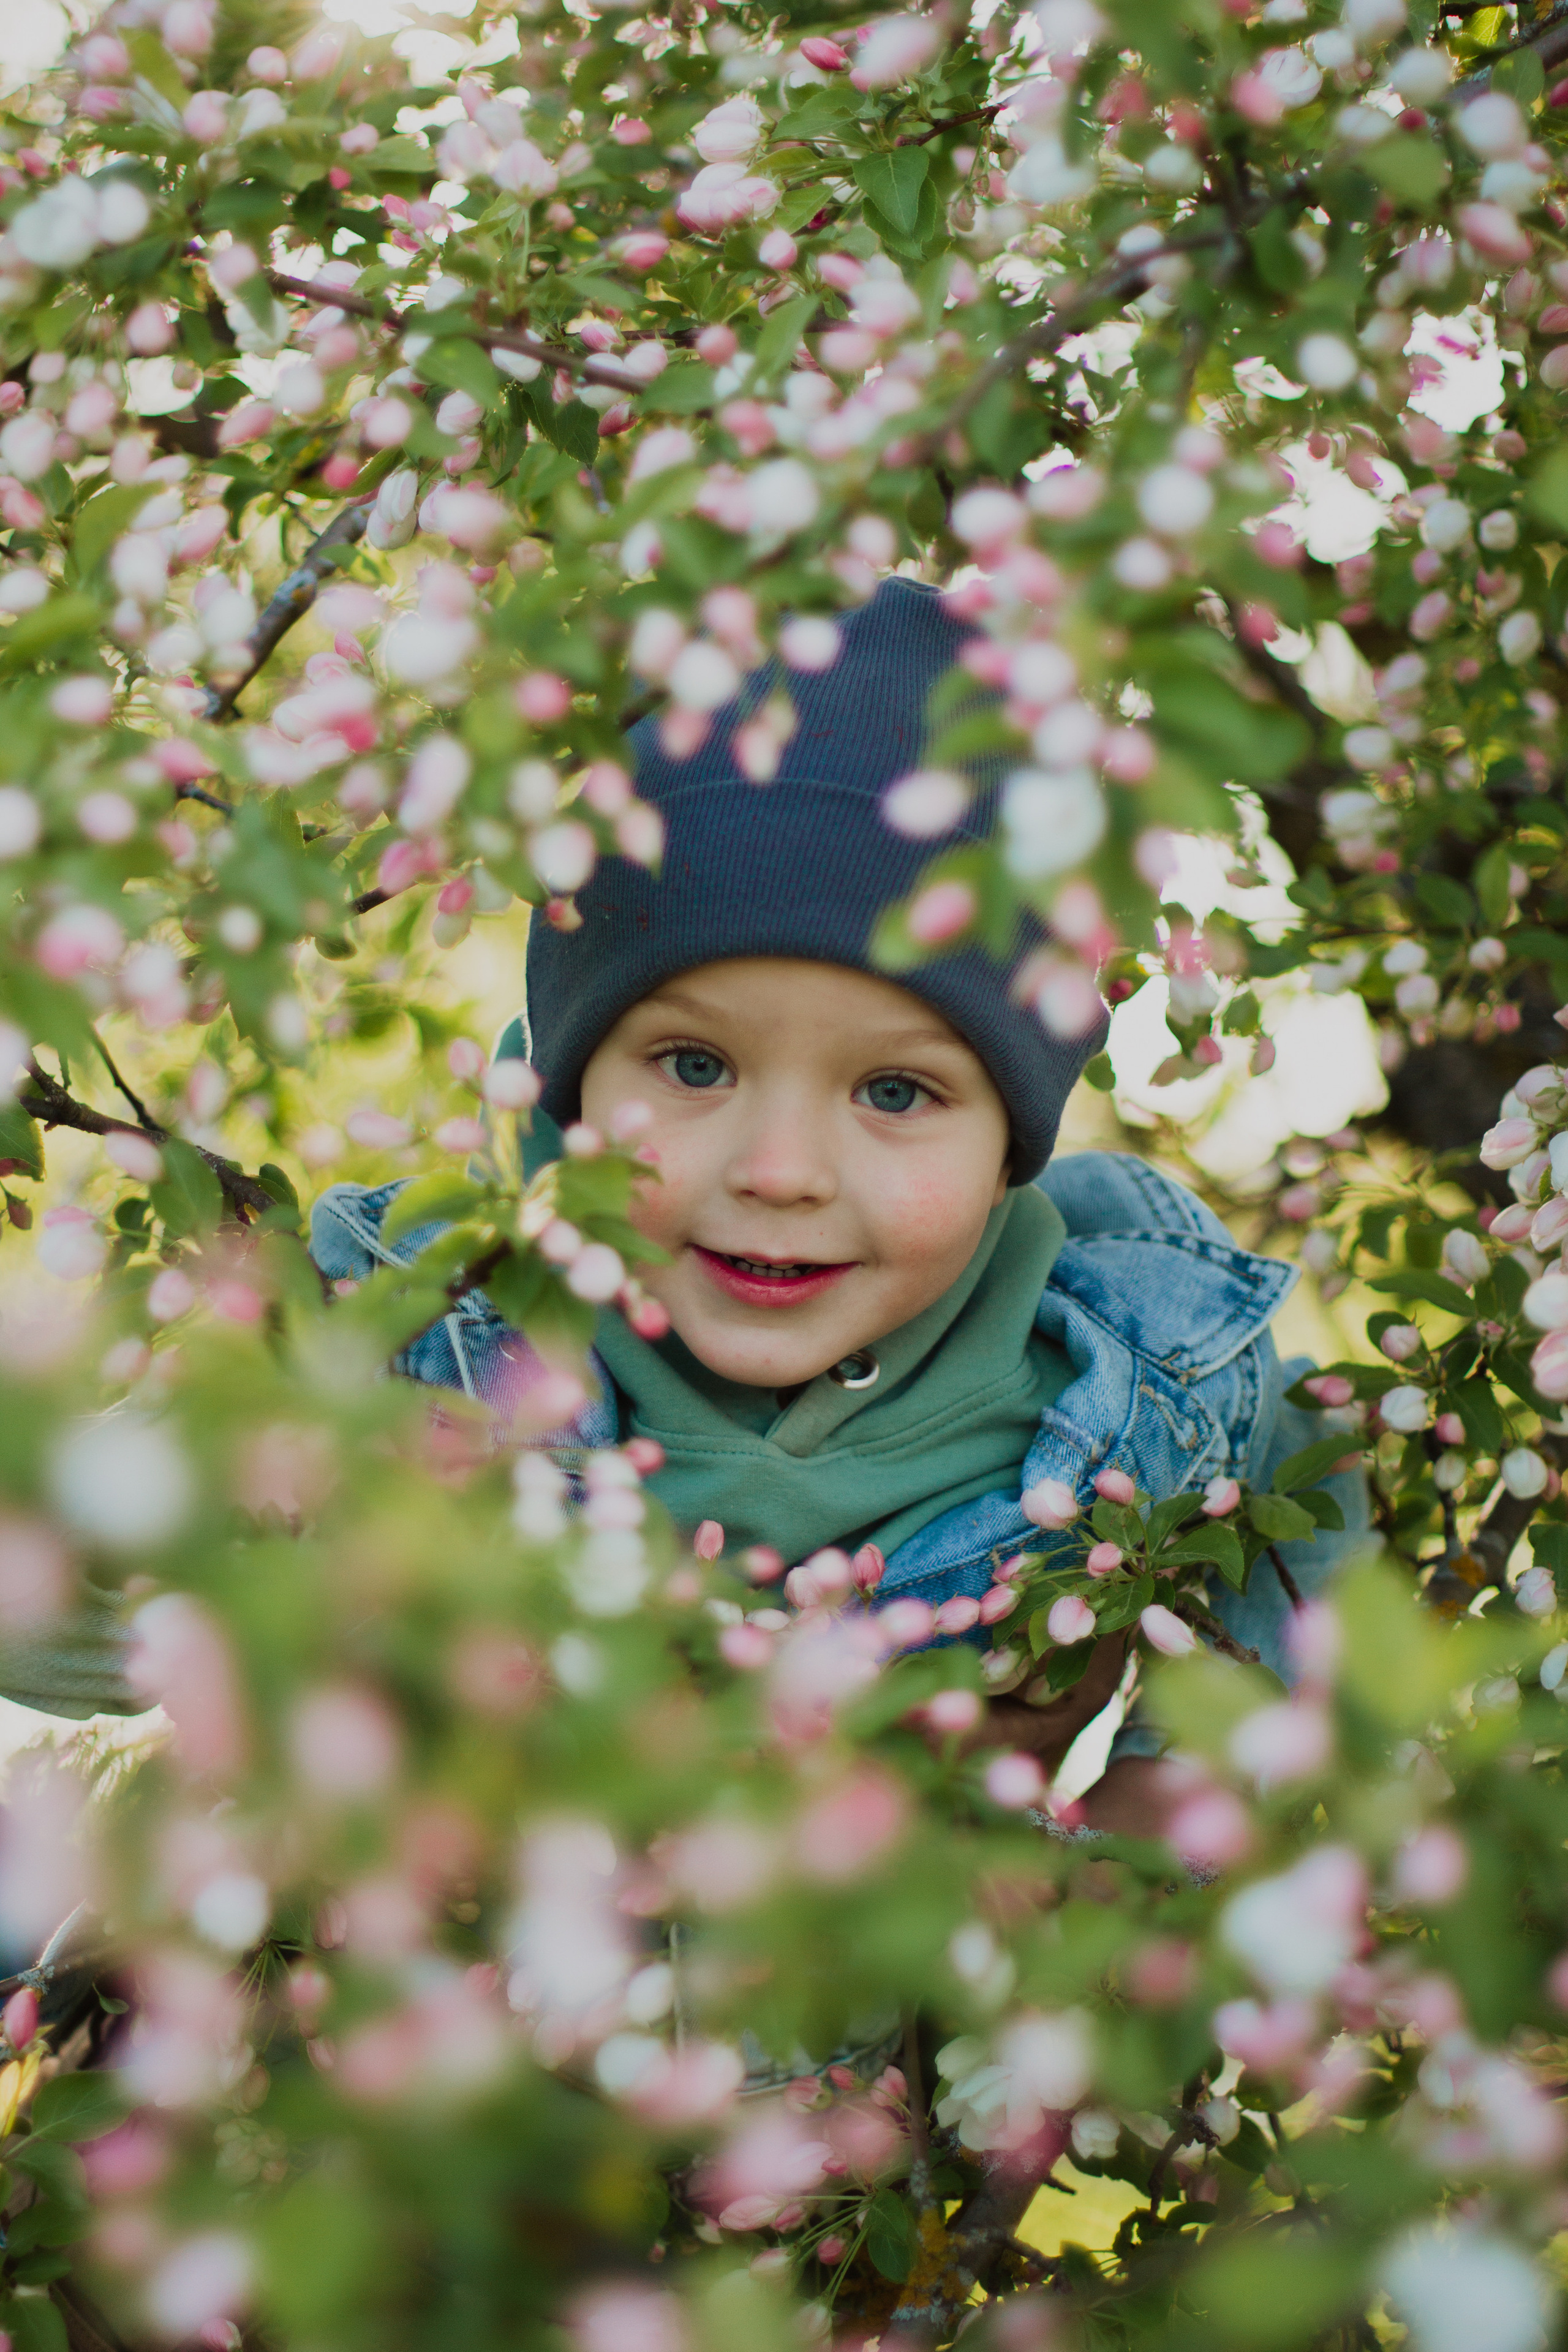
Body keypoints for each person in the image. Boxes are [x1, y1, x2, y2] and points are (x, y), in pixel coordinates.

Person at [312, 576, 1367, 1841]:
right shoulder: (414, 1331)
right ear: (573, 1075)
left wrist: (1144, 1845)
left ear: (1009, 1147)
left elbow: (1312, 1555)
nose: (779, 1171)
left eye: (894, 1089)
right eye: (694, 1067)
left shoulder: (1146, 1383)